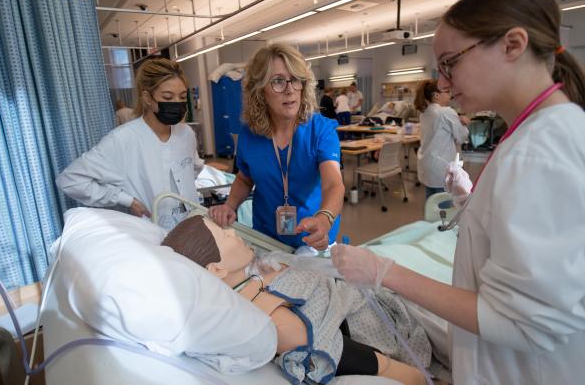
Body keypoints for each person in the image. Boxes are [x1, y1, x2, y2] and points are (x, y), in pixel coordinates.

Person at [332, 0, 585, 385]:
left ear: (513, 45)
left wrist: (384, 271)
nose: (443, 83)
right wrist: (476, 203)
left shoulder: (539, 150)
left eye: (450, 62)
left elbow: (523, 322)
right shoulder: (540, 134)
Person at [162, 215, 430, 385]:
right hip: (365, 316)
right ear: (216, 270)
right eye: (224, 235)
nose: (233, 232)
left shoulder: (251, 275)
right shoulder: (261, 312)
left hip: (359, 287)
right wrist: (414, 377)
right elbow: (332, 348)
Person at [208, 44, 344, 251]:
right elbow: (245, 178)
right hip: (266, 239)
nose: (289, 89)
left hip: (313, 240)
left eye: (295, 79)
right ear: (260, 90)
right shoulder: (249, 134)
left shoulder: (320, 130)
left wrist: (325, 218)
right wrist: (229, 206)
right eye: (278, 81)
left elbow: (333, 184)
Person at [56, 58, 204, 229]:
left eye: (182, 97)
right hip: (153, 232)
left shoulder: (185, 133)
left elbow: (193, 168)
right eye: (168, 97)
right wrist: (126, 200)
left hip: (193, 224)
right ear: (148, 98)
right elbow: (69, 180)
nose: (177, 103)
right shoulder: (123, 140)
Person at [414, 79, 469, 203]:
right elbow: (462, 137)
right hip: (441, 167)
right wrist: (464, 124)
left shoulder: (424, 113)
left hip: (427, 164)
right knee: (443, 207)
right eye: (447, 92)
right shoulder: (446, 112)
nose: (450, 95)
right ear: (436, 95)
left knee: (432, 204)